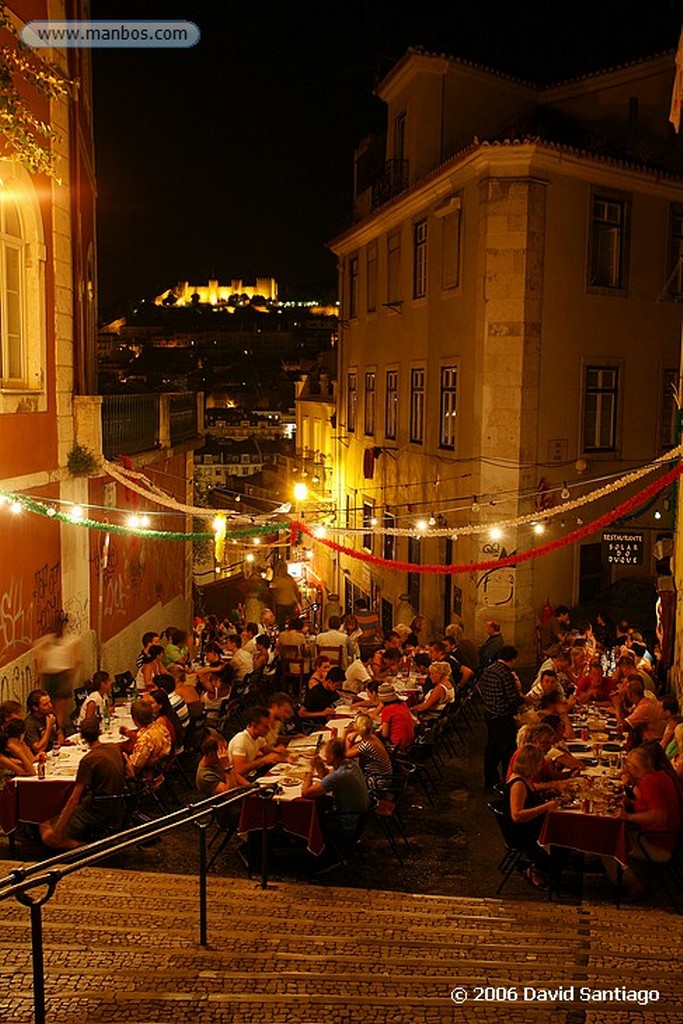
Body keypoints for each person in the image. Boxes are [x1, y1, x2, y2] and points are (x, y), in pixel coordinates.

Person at [40, 717, 126, 849]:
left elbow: (74, 799)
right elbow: (130, 771)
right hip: (118, 805)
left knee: (46, 832)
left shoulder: (88, 761)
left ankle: (86, 848)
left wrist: (58, 830)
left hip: (96, 810)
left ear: (82, 736)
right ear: (99, 731)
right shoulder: (114, 748)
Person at [504, 743, 561, 888]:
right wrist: (545, 806)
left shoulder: (525, 779)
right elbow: (517, 815)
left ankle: (551, 867)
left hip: (531, 826)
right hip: (523, 833)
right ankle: (537, 869)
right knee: (560, 836)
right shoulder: (518, 784)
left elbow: (531, 798)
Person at [302, 737, 371, 843]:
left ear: (332, 756)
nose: (324, 756)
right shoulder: (351, 764)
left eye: (326, 753)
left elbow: (306, 793)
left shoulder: (340, 775)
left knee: (313, 817)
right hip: (360, 818)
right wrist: (319, 766)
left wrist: (308, 773)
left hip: (347, 824)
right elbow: (327, 780)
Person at [479, 645, 525, 788]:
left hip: (490, 713)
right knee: (507, 751)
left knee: (491, 749)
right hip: (503, 717)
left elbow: (481, 688)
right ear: (512, 659)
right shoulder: (506, 674)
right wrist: (522, 696)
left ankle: (490, 779)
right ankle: (508, 781)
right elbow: (513, 699)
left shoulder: (488, 670)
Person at [32, 611, 81, 733]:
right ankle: (57, 731)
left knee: (56, 708)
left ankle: (58, 731)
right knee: (55, 708)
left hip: (56, 676)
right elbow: (76, 660)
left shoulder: (55, 641)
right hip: (57, 675)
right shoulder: (67, 641)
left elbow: (38, 655)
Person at [227, 705, 289, 785]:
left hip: (251, 776)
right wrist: (263, 760)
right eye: (265, 727)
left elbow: (267, 751)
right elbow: (239, 769)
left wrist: (279, 752)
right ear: (254, 725)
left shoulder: (259, 738)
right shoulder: (241, 740)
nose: (269, 730)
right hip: (239, 783)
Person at [122, 700, 172, 778]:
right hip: (159, 770)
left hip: (146, 774)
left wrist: (123, 756)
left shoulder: (144, 740)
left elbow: (134, 770)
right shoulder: (161, 727)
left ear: (134, 719)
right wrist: (133, 736)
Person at [344, 712, 392, 791]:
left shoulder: (367, 745)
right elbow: (353, 749)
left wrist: (346, 734)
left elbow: (346, 754)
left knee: (346, 779)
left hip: (378, 780)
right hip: (384, 775)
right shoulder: (372, 737)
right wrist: (354, 735)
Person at [377, 682, 415, 751]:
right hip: (410, 742)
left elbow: (385, 734)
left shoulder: (387, 710)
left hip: (397, 745)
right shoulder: (403, 704)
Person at [24, 689, 60, 755]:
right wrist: (48, 726)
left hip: (54, 752)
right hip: (40, 757)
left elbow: (59, 733)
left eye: (50, 702)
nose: (50, 706)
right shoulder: (29, 723)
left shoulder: (50, 714)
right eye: (45, 704)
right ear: (35, 708)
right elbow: (38, 749)